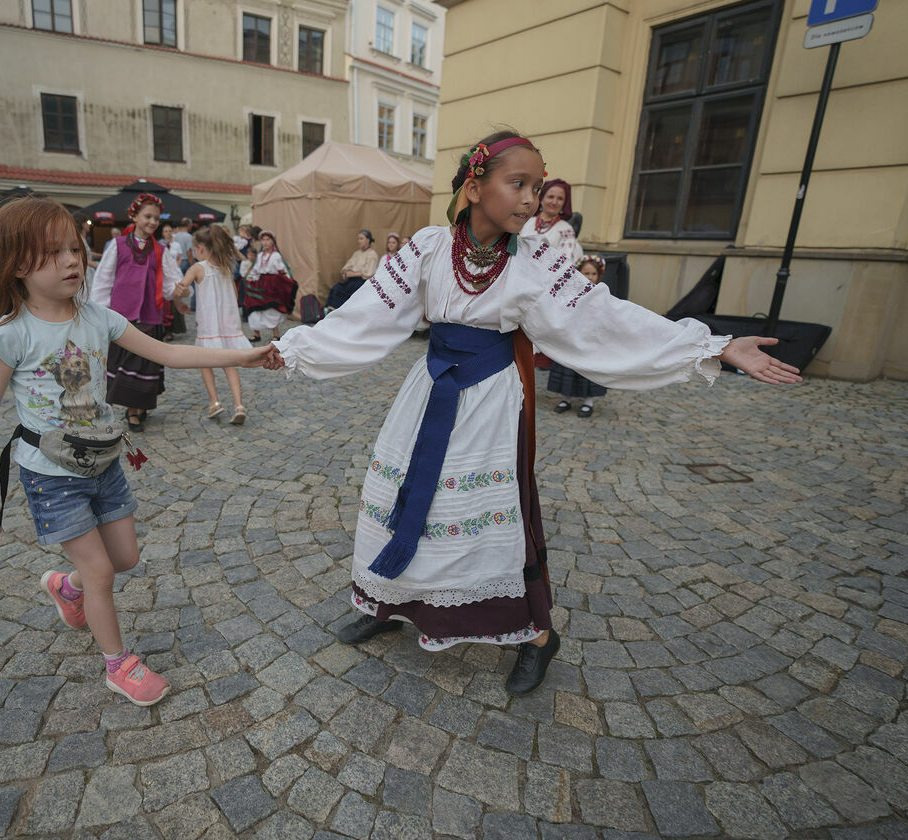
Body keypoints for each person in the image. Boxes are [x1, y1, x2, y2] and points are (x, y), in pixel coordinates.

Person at [266, 130, 801, 696]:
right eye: (517, 183)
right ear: (474, 187)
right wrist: (295, 348)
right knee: (405, 497)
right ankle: (387, 602)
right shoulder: (427, 247)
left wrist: (712, 345)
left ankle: (537, 636)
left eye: (537, 186)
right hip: (429, 390)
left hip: (492, 399)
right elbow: (368, 313)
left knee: (492, 513)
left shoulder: (537, 262)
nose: (529, 198)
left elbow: (603, 319)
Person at [0, 196, 273, 706]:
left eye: (74, 249)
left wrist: (247, 356)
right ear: (18, 264)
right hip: (51, 475)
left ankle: (67, 588)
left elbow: (171, 352)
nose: (71, 261)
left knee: (124, 557)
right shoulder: (9, 335)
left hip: (103, 464)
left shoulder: (98, 318)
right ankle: (118, 664)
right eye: (53, 253)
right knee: (101, 571)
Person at [89, 193, 184, 432]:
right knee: (126, 363)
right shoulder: (118, 245)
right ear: (135, 216)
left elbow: (172, 282)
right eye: (147, 217)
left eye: (156, 218)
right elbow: (103, 279)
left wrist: (181, 290)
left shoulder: (161, 250)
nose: (152, 222)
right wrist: (99, 312)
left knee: (145, 364)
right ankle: (132, 410)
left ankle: (138, 408)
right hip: (122, 316)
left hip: (151, 316)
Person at [172, 224, 253, 424]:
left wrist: (179, 299)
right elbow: (234, 296)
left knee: (205, 363)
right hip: (228, 326)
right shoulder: (226, 268)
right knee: (229, 363)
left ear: (200, 248)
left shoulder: (198, 268)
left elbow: (181, 289)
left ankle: (215, 403)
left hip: (209, 326)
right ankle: (239, 404)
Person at [548, 256, 610, 417]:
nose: (589, 277)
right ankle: (566, 398)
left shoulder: (601, 294)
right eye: (586, 273)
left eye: (593, 274)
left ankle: (588, 401)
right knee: (568, 366)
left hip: (590, 338)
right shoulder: (570, 292)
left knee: (588, 368)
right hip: (570, 337)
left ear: (598, 276)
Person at [244, 231, 296, 342]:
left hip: (272, 285)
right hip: (260, 282)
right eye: (263, 240)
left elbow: (282, 270)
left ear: (273, 242)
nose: (265, 242)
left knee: (272, 309)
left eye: (268, 240)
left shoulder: (276, 255)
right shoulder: (260, 255)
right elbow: (255, 269)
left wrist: (285, 278)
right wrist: (251, 277)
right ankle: (256, 334)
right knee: (254, 307)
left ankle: (276, 335)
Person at [524, 178, 582, 264]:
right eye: (550, 197)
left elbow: (564, 262)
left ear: (564, 203)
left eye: (560, 199)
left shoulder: (566, 230)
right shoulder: (526, 222)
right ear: (542, 199)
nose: (554, 202)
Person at [326, 229, 379, 312]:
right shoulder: (357, 253)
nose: (359, 241)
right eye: (358, 239)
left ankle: (342, 313)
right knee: (336, 288)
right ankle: (331, 312)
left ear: (368, 240)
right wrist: (345, 273)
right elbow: (347, 266)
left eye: (361, 239)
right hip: (351, 279)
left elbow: (369, 273)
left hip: (362, 281)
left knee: (350, 292)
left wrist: (352, 274)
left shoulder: (372, 254)